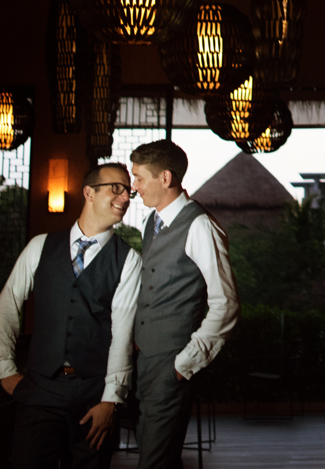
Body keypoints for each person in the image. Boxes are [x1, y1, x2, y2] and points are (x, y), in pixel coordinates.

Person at [0, 163, 141, 469]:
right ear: (89, 192)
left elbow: (123, 334)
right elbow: (5, 307)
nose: (125, 198)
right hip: (40, 390)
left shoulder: (128, 259)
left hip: (94, 395)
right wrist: (4, 369)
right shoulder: (40, 246)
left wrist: (111, 400)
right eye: (116, 188)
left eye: (129, 191)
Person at [130, 139, 239, 469]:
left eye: (139, 178)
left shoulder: (201, 226)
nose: (133, 188)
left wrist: (184, 365)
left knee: (153, 461)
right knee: (159, 459)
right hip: (144, 362)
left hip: (171, 363)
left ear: (164, 178)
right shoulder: (153, 222)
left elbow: (226, 304)